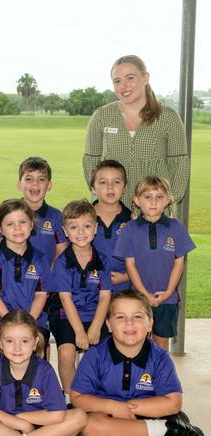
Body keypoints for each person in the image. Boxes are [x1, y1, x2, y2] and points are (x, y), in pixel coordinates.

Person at [71, 290, 206, 436]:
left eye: (137, 316)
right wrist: (114, 407)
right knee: (91, 428)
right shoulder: (96, 354)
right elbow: (78, 398)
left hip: (145, 417)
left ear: (150, 323)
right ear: (109, 325)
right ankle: (166, 428)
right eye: (120, 317)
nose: (129, 322)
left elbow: (174, 403)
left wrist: (129, 409)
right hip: (108, 417)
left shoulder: (160, 357)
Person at [0, 310, 90, 436]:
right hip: (7, 427)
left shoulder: (44, 370)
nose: (17, 347)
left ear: (35, 342)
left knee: (79, 416)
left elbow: (57, 414)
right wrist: (19, 423)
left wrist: (23, 419)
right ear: (0, 342)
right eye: (9, 341)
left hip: (42, 428)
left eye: (24, 341)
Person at [82, 55, 189, 209]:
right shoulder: (101, 116)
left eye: (130, 78)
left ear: (145, 78)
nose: (123, 86)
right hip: (111, 213)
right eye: (117, 81)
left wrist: (162, 204)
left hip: (154, 214)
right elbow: (91, 165)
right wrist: (105, 199)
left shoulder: (168, 117)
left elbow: (179, 167)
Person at [114, 176, 195, 351]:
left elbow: (179, 264)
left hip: (167, 299)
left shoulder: (176, 228)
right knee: (136, 344)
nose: (153, 202)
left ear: (167, 200)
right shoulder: (130, 229)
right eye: (147, 197)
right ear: (136, 200)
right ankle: (139, 378)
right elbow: (130, 266)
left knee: (161, 346)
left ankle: (160, 378)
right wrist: (145, 295)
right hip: (138, 299)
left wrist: (167, 292)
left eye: (159, 197)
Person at [52, 200, 112, 397]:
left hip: (96, 315)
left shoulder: (102, 259)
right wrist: (79, 331)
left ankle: (99, 395)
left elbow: (105, 297)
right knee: (66, 353)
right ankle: (72, 397)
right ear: (65, 231)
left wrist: (95, 327)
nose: (80, 232)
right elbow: (65, 299)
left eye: (87, 226)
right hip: (67, 316)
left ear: (95, 229)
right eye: (73, 227)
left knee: (105, 354)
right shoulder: (62, 262)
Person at [0, 199, 52, 346]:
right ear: (0, 229)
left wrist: (28, 322)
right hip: (1, 320)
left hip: (34, 320)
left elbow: (41, 295)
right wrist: (11, 323)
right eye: (10, 224)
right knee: (8, 350)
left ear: (31, 224)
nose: (17, 228)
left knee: (35, 352)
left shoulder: (39, 258)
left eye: (22, 222)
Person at [90, 160, 132, 293]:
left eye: (116, 182)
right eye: (103, 182)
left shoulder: (133, 221)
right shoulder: (81, 219)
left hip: (124, 292)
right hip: (89, 294)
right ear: (93, 189)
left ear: (124, 188)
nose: (110, 187)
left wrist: (126, 276)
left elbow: (145, 259)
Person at [17, 157, 68, 262]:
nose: (35, 184)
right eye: (28, 179)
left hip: (47, 277)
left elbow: (60, 252)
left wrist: (50, 276)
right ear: (19, 185)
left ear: (49, 185)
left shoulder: (56, 216)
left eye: (41, 179)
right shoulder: (10, 213)